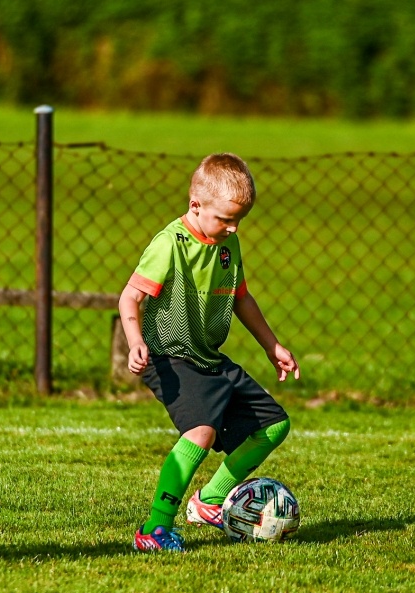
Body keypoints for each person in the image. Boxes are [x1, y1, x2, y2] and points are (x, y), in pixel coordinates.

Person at [118, 153, 299, 552]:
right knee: (200, 433)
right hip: (169, 355)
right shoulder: (170, 244)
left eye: (239, 220)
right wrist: (135, 342)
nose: (233, 228)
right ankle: (154, 527)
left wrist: (273, 346)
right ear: (195, 205)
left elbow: (241, 298)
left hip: (209, 358)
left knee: (272, 425)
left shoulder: (227, 243)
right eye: (225, 219)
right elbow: (129, 298)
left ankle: (211, 501)